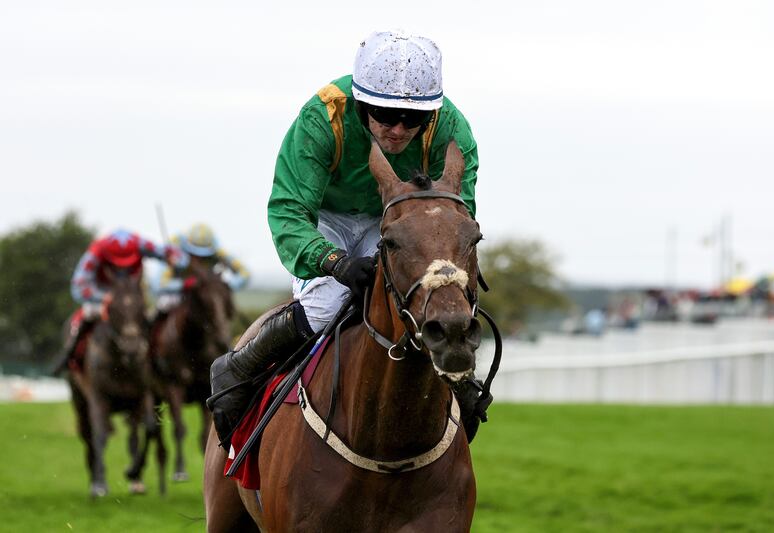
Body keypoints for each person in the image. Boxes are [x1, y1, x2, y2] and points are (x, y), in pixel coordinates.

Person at [209, 30, 489, 443]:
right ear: (359, 103)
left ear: (431, 112)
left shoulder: (451, 127)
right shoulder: (322, 118)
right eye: (383, 114)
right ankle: (240, 367)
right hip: (328, 216)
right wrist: (335, 262)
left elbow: (457, 218)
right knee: (325, 304)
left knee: (430, 303)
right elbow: (289, 211)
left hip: (398, 219)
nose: (397, 129)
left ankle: (457, 373)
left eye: (413, 119)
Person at [55, 229, 188, 374]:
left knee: (155, 315)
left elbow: (175, 255)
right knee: (87, 313)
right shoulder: (97, 249)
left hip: (136, 298)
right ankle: (71, 355)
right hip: (104, 298)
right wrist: (103, 297)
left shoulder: (141, 243)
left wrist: (176, 261)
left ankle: (158, 357)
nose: (122, 267)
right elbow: (78, 287)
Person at [149, 223, 249, 371]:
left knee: (219, 306)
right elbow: (158, 284)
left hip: (207, 293)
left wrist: (224, 284)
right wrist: (183, 284)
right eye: (195, 254)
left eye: (205, 256)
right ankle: (151, 349)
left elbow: (244, 274)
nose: (200, 259)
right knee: (163, 305)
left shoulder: (219, 251)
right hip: (179, 294)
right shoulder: (175, 248)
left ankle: (229, 348)